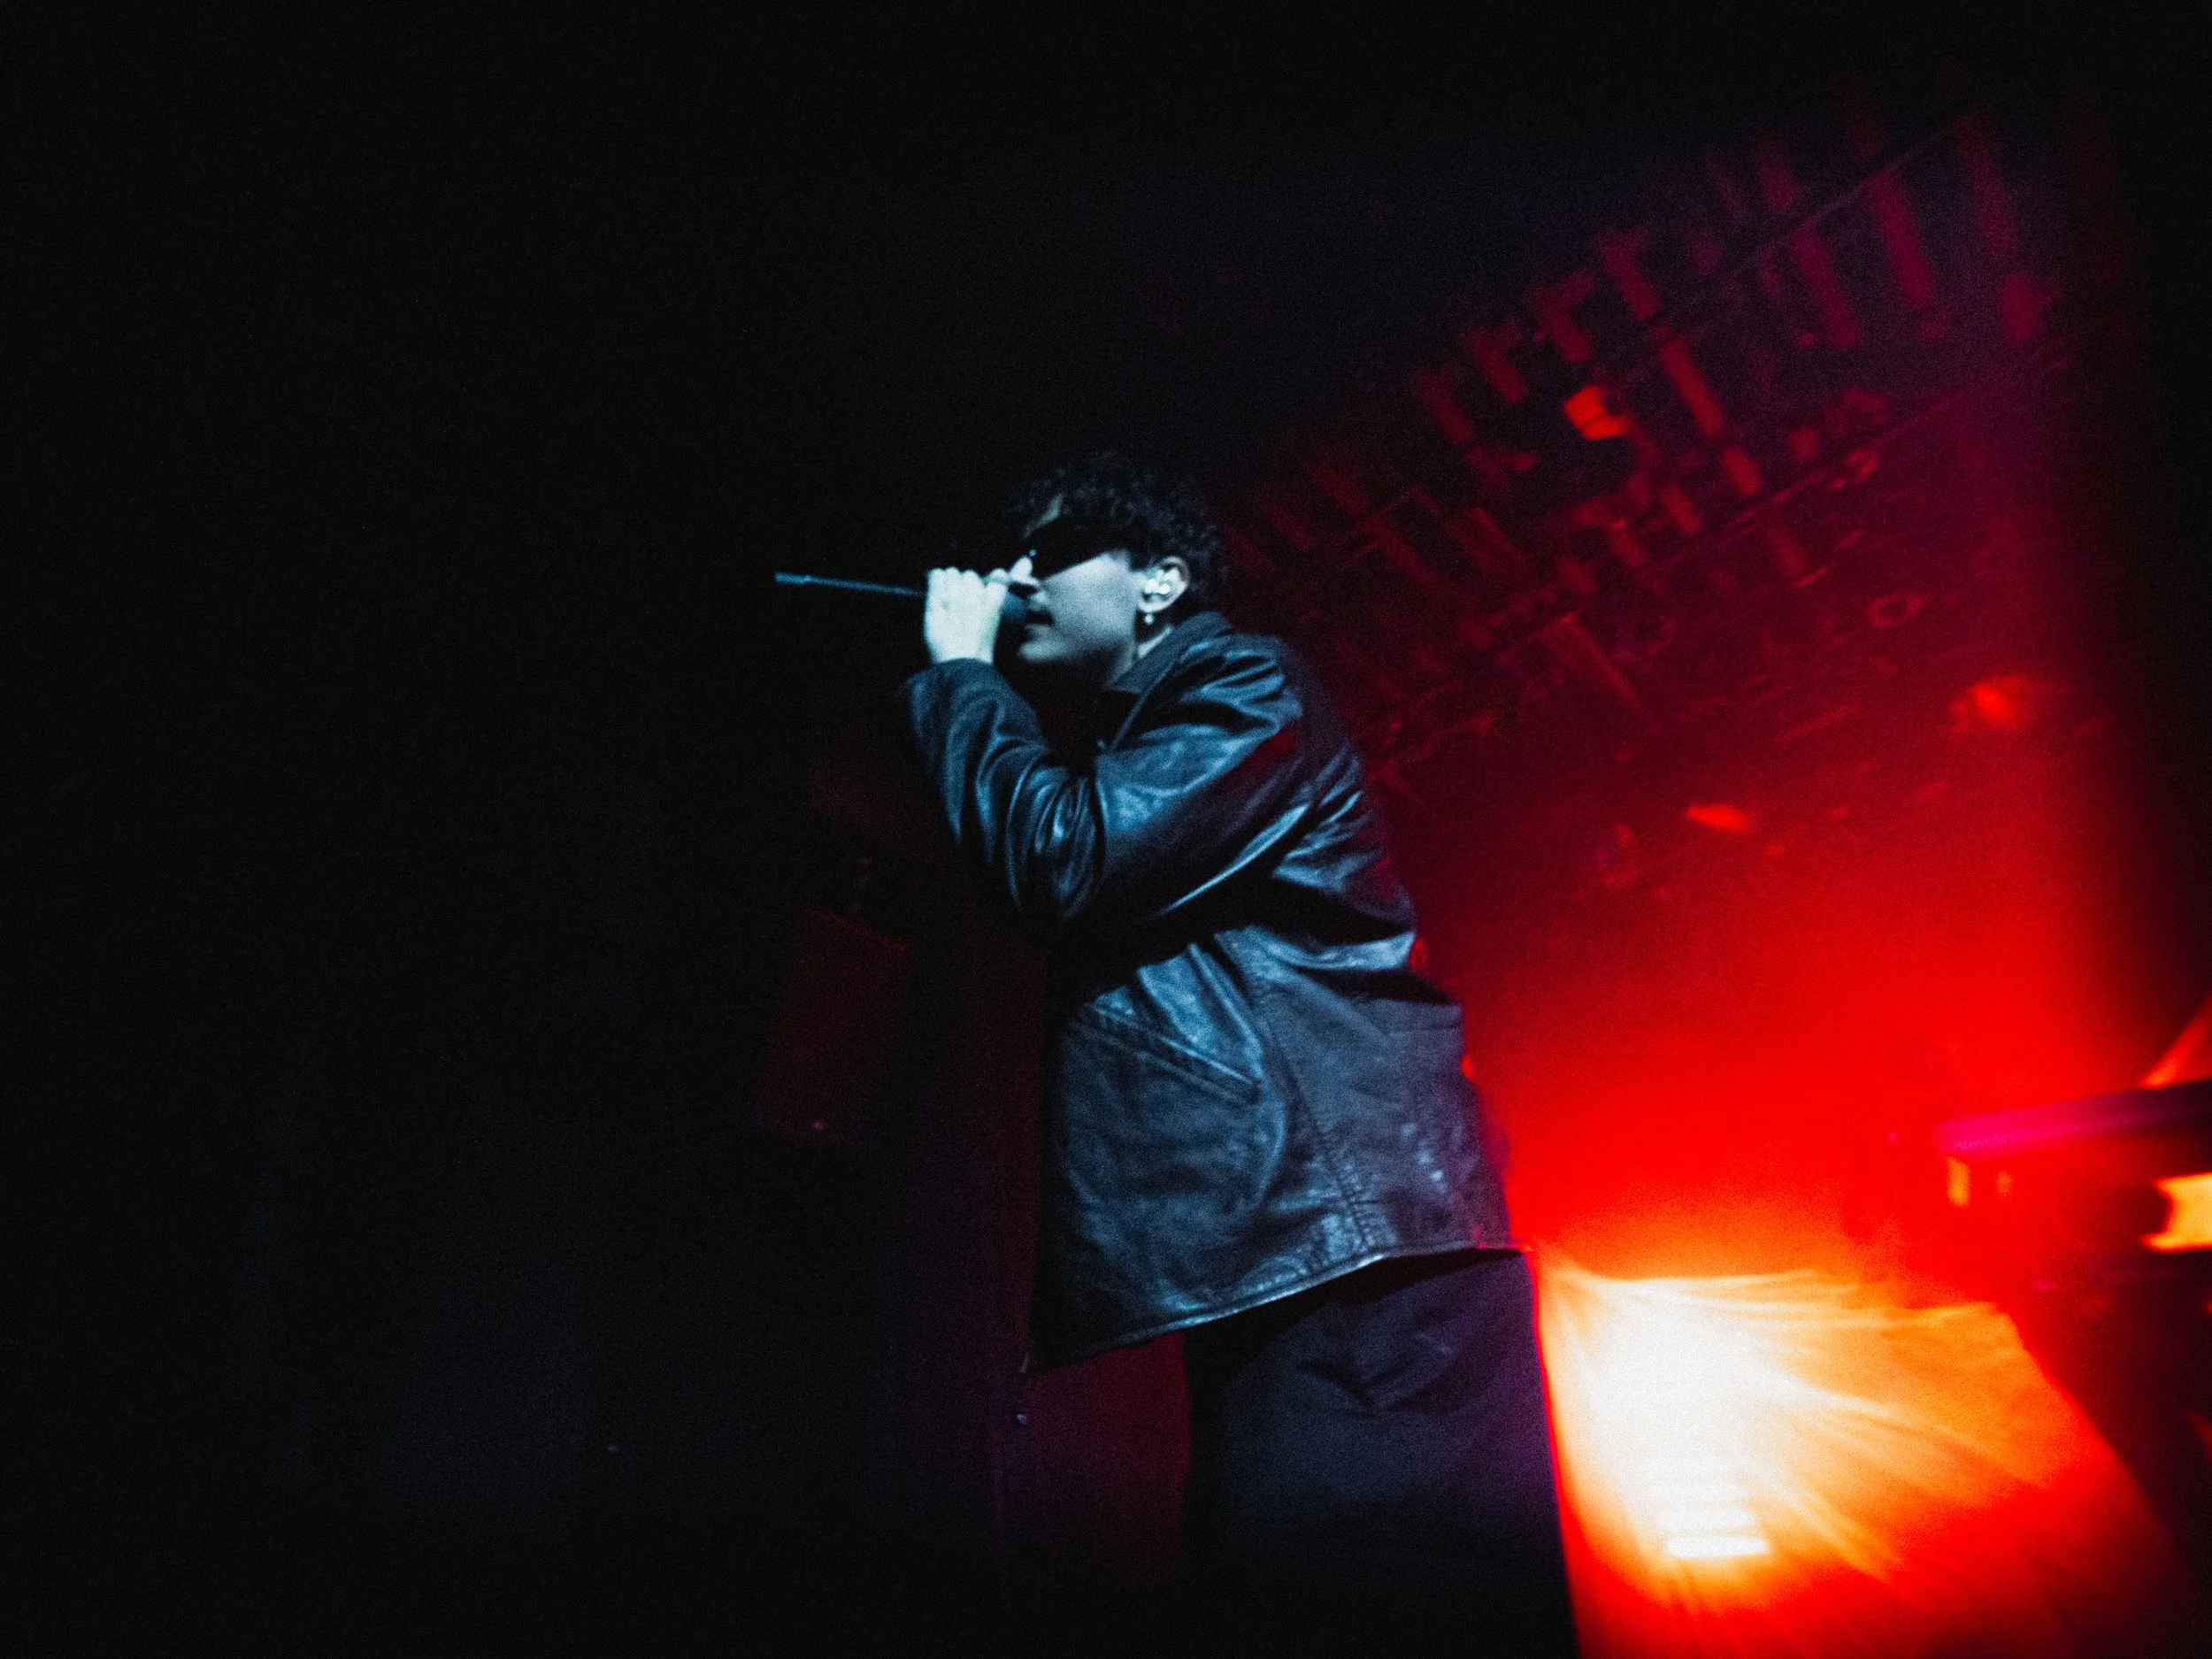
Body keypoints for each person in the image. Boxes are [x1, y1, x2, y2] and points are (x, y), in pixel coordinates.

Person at [900, 452, 1577, 1647]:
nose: (1015, 576)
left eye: (1050, 553)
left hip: (1361, 1259)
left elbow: (1064, 855)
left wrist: (962, 678)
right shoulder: (1154, 732)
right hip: (1307, 1251)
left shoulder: (1243, 684)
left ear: (1157, 581)